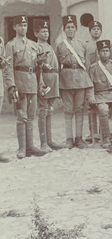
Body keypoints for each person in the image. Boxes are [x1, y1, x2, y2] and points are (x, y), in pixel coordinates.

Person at [3, 15, 46, 158]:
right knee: (21, 115)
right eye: (20, 25)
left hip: (32, 82)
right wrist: (11, 86)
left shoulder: (34, 45)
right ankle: (22, 148)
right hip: (19, 83)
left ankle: (30, 147)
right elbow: (8, 68)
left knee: (31, 115)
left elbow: (37, 68)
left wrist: (40, 84)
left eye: (25, 25)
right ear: (14, 27)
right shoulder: (11, 45)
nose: (23, 28)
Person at [56, 15, 93, 149]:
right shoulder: (60, 46)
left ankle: (79, 138)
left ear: (76, 29)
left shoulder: (83, 45)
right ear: (64, 30)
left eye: (72, 27)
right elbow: (57, 67)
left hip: (81, 80)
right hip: (65, 80)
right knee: (67, 110)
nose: (70, 30)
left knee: (79, 109)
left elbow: (87, 66)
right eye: (68, 27)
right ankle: (69, 139)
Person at [34, 19, 64, 152]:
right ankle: (43, 143)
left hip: (53, 80)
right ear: (36, 33)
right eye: (43, 31)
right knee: (43, 110)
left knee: (49, 111)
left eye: (47, 31)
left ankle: (49, 141)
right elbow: (35, 64)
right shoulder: (36, 47)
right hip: (44, 80)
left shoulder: (49, 46)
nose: (46, 33)